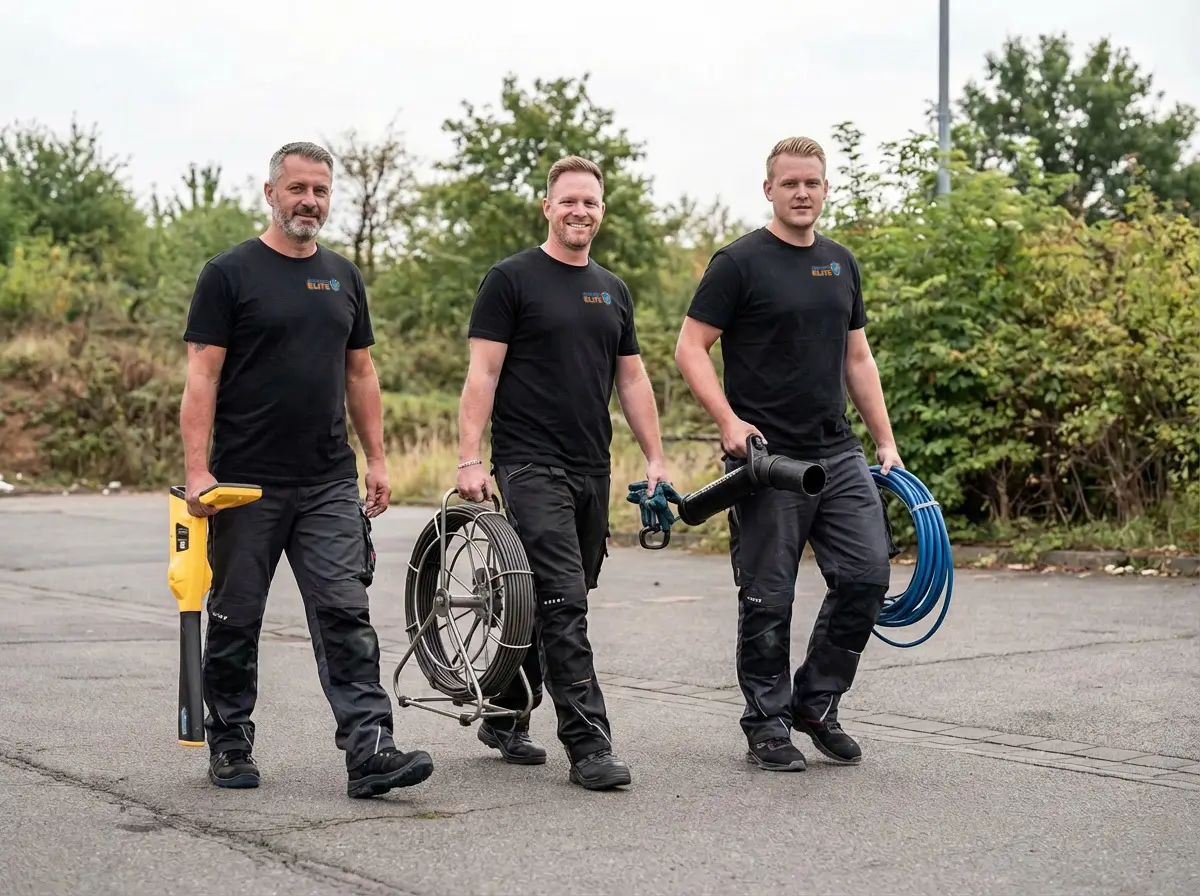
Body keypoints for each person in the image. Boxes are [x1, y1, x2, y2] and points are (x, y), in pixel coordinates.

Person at [179, 141, 434, 799]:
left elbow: (361, 372)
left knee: (346, 613)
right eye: (297, 188)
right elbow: (202, 376)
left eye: (320, 190)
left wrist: (377, 460)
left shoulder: (343, 276)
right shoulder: (229, 274)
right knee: (236, 618)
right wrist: (198, 472)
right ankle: (230, 742)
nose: (309, 201)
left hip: (326, 480)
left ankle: (371, 751)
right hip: (244, 484)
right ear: (271, 193)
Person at [674, 137, 902, 772]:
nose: (803, 193)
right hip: (768, 460)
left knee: (866, 575)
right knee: (768, 596)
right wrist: (728, 422)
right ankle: (767, 722)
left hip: (837, 451)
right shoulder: (739, 263)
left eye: (813, 183)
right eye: (791, 183)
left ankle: (817, 702)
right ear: (768, 189)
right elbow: (690, 348)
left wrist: (885, 441)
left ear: (825, 189)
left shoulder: (840, 263)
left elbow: (858, 358)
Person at [455, 155, 669, 791]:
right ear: (547, 207)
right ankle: (589, 745)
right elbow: (483, 373)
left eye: (590, 202)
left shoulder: (612, 289)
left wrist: (655, 457)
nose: (580, 211)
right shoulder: (510, 279)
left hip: (590, 466)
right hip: (527, 462)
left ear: (602, 211)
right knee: (563, 599)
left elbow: (632, 380)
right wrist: (470, 458)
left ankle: (505, 712)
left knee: (553, 598)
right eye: (569, 200)